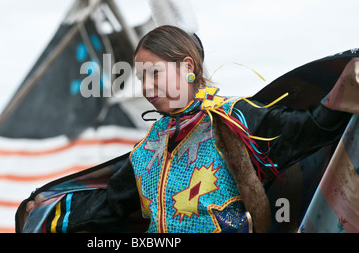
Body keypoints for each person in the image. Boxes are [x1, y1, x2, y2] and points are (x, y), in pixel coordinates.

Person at [18, 24, 352, 233]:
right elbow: (111, 205)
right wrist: (50, 212)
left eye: (155, 75)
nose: (147, 87)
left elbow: (311, 132)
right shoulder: (148, 149)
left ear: (187, 68)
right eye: (141, 79)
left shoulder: (237, 119)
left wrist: (346, 90)